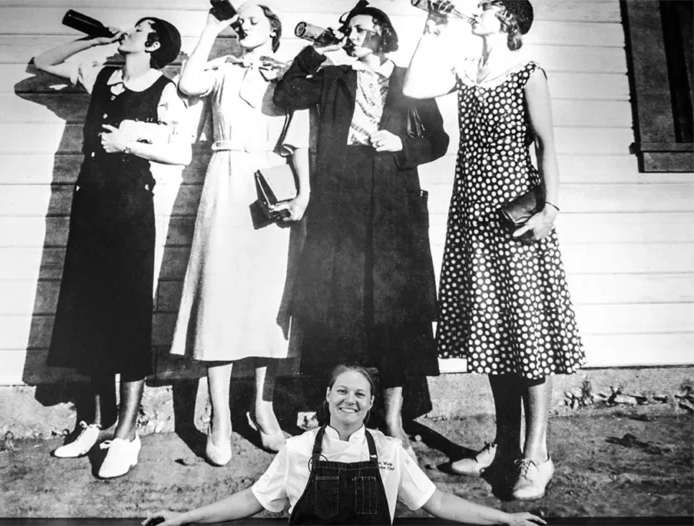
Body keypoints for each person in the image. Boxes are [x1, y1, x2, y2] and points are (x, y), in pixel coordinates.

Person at [403, 0, 585, 500]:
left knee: (526, 336)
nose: (475, 9)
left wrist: (550, 211)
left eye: (486, 4)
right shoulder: (468, 70)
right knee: (494, 333)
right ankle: (506, 445)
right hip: (473, 213)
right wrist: (433, 25)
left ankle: (536, 454)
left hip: (515, 214)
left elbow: (546, 144)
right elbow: (414, 86)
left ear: (508, 19)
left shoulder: (528, 72)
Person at [271, 2, 449, 460]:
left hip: (393, 200)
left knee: (394, 314)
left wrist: (402, 144)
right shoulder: (334, 77)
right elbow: (287, 94)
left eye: (360, 30)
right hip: (340, 201)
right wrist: (317, 50)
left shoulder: (411, 79)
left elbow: (439, 141)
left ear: (383, 36)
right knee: (339, 308)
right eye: (348, 30)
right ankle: (339, 420)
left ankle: (392, 420)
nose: (351, 36)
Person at [34, 17, 188, 478]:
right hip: (90, 205)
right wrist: (96, 39)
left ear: (154, 43)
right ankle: (93, 422)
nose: (129, 33)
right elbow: (41, 62)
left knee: (127, 313)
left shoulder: (165, 89)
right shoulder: (101, 73)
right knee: (90, 311)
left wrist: (132, 145)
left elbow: (182, 151)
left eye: (138, 30)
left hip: (130, 210)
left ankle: (125, 433)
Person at [169, 1, 310, 466]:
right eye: (240, 20)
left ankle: (263, 409)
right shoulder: (224, 69)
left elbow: (299, 140)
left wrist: (303, 193)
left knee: (270, 302)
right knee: (220, 298)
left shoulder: (288, 74)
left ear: (273, 29)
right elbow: (188, 84)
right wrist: (211, 28)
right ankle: (221, 418)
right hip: (226, 179)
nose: (243, 25)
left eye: (253, 19)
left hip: (273, 182)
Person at [142, 364, 546, 525]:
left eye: (360, 394)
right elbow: (251, 500)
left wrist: (506, 520)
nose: (349, 400)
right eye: (342, 391)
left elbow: (437, 503)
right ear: (328, 397)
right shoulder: (298, 450)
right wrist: (183, 518)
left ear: (371, 405)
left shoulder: (389, 451)